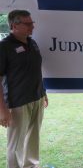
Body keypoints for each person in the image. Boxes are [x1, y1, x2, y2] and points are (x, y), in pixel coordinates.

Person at [0, 10, 48, 168]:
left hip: (37, 98)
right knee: (16, 145)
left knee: (33, 139)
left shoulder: (32, 43)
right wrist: (3, 110)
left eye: (32, 23)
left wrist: (44, 93)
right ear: (14, 26)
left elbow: (35, 70)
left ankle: (31, 165)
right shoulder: (4, 47)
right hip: (18, 102)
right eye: (27, 24)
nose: (32, 26)